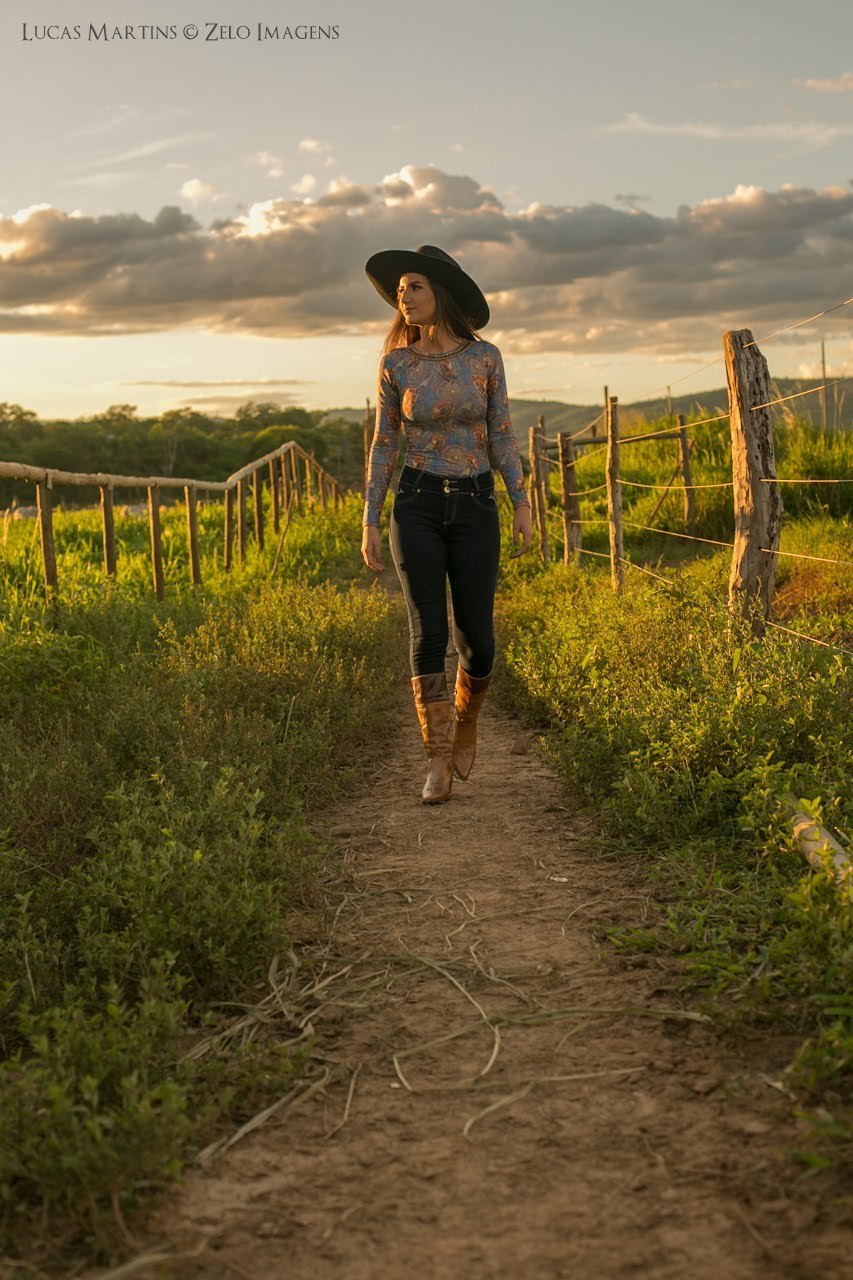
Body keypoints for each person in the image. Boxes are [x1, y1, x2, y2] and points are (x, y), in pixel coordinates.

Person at [361, 244, 533, 805]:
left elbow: (502, 434)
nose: (403, 297)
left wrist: (521, 500)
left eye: (414, 287)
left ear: (441, 294)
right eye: (401, 290)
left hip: (477, 502)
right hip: (416, 501)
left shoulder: (485, 358)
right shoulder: (396, 364)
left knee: (476, 641)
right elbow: (385, 442)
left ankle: (465, 716)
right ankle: (436, 760)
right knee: (428, 631)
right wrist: (370, 517)